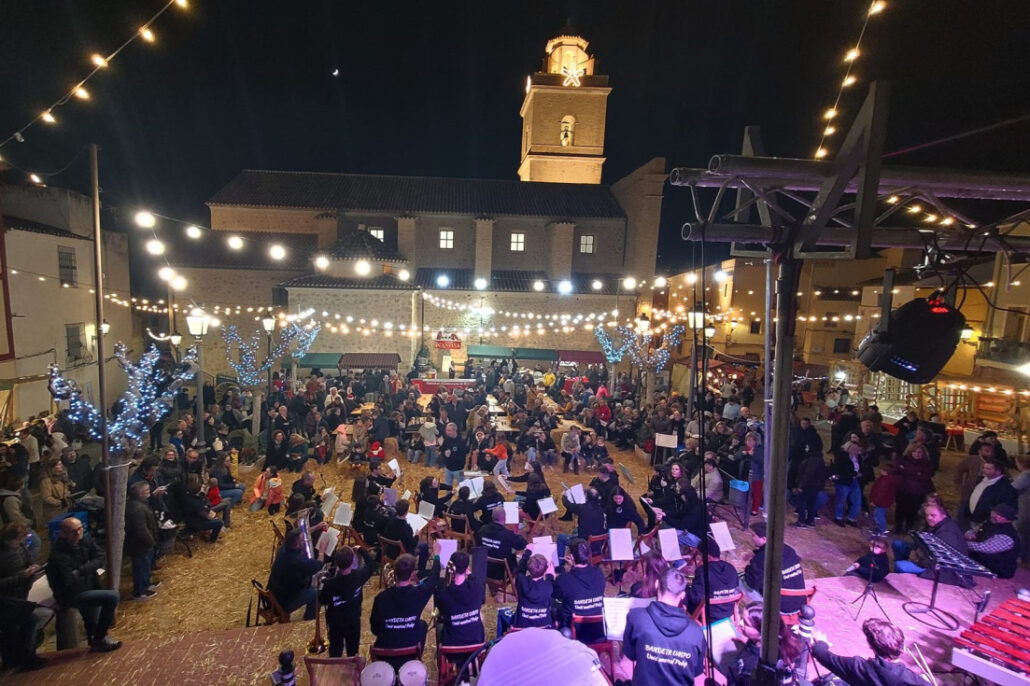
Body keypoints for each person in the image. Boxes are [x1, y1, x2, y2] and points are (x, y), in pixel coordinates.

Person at [46, 516, 122, 652]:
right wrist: (88, 569)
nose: (78, 533)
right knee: (112, 597)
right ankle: (100, 638)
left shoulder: (85, 540)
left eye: (80, 529)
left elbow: (100, 557)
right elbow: (69, 581)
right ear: (63, 534)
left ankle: (97, 642)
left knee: (93, 622)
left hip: (89, 586)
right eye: (73, 531)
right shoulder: (58, 554)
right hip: (71, 594)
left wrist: (81, 571)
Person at [623, 567, 706, 684]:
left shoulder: (636, 616)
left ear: (657, 584)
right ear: (682, 595)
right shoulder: (696, 632)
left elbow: (631, 654)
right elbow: (696, 671)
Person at [370, 551, 441, 668]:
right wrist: (437, 556)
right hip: (410, 651)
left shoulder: (381, 598)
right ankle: (415, 659)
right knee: (422, 625)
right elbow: (433, 579)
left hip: (385, 652)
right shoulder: (419, 593)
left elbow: (374, 629)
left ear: (395, 572)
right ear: (412, 574)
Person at [812, 618, 924, 686]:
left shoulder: (858, 667)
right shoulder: (909, 678)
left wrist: (821, 643)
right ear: (902, 648)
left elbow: (823, 655)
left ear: (871, 645)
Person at [0, 522, 50, 670]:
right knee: (28, 621)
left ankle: (24, 657)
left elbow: (25, 563)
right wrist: (22, 576)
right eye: (23, 537)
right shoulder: (3, 554)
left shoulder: (20, 548)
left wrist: (32, 569)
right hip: (6, 600)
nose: (25, 539)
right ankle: (24, 659)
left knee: (23, 625)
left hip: (20, 596)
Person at [687, 539, 740, 667]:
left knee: (683, 594)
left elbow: (695, 598)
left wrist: (687, 589)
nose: (699, 558)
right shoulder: (731, 568)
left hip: (710, 615)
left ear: (707, 556)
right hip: (727, 611)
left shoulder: (703, 571)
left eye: (700, 555)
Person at [892, 502, 972, 586]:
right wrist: (916, 551)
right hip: (927, 558)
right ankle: (899, 576)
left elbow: (943, 559)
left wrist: (918, 560)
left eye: (933, 515)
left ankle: (901, 583)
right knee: (898, 545)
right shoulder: (937, 525)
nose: (929, 518)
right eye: (927, 515)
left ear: (943, 515)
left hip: (948, 573)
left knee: (901, 565)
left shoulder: (947, 532)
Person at [320, 545, 376, 657]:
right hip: (353, 619)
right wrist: (361, 550)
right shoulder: (359, 576)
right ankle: (352, 663)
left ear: (336, 563)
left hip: (335, 622)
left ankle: (335, 663)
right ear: (352, 562)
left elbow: (322, 600)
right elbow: (371, 565)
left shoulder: (330, 584)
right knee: (353, 649)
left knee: (335, 649)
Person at [741, 522, 807, 614]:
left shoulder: (761, 558)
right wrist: (754, 553)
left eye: (753, 535)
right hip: (800, 603)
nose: (751, 538)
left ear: (764, 539)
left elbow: (751, 583)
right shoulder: (789, 550)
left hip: (781, 607)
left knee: (740, 581)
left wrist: (748, 566)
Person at [552, 537, 606, 642]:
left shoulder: (565, 579)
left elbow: (553, 593)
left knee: (553, 604)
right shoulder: (599, 573)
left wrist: (551, 576)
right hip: (598, 631)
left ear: (572, 557)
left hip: (575, 632)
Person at [434, 550, 485, 656]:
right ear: (467, 568)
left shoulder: (443, 594)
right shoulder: (478, 587)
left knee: (439, 626)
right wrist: (469, 574)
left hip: (453, 648)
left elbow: (441, 614)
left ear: (451, 568)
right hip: (476, 643)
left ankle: (439, 657)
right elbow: (475, 580)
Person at [268, 528, 325, 619]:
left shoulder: (283, 548)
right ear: (297, 544)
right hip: (285, 601)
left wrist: (316, 527)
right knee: (316, 593)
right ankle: (310, 620)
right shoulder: (296, 561)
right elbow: (318, 565)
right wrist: (322, 550)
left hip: (274, 594)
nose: (305, 541)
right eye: (302, 540)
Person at [125, 481, 160, 599]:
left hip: (143, 543)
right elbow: (141, 530)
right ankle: (140, 592)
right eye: (147, 490)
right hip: (139, 544)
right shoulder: (137, 508)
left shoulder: (140, 504)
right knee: (140, 567)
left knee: (145, 565)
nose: (149, 492)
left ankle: (146, 584)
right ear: (140, 494)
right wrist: (151, 542)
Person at [966, 503, 1020, 579]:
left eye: (1000, 515)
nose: (995, 516)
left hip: (997, 568)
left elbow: (985, 548)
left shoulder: (1006, 534)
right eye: (995, 512)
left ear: (1008, 520)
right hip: (982, 560)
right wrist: (970, 534)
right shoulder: (989, 523)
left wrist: (964, 543)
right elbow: (974, 531)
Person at [961, 458, 1018, 528]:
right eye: (984, 468)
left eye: (988, 469)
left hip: (987, 524)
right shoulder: (981, 480)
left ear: (998, 471)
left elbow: (1008, 506)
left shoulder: (1005, 487)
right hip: (972, 519)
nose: (983, 470)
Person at [475, 508, 527, 580]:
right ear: (505, 518)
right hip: (502, 572)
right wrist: (517, 535)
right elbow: (523, 544)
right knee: (523, 560)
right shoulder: (507, 534)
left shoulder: (482, 530)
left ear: (492, 517)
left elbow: (477, 546)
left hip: (483, 568)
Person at [514, 552, 555, 628]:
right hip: (545, 627)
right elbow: (551, 581)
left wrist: (527, 553)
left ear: (528, 569)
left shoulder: (521, 581)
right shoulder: (549, 586)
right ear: (545, 571)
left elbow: (520, 570)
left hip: (521, 626)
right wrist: (550, 575)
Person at [792, 443, 827, 528]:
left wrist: (801, 486)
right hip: (815, 486)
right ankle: (810, 521)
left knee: (801, 502)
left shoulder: (812, 460)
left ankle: (801, 521)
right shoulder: (820, 459)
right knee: (811, 503)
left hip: (808, 485)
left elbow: (808, 474)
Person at [182, 475, 224, 542]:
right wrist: (211, 517)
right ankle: (212, 541)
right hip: (196, 522)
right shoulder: (193, 499)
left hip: (194, 518)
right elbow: (203, 513)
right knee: (219, 523)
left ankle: (208, 534)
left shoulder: (189, 494)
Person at [440, 422, 468, 487]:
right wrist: (444, 453)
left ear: (455, 430)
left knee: (462, 487)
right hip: (448, 468)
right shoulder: (446, 440)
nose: (447, 432)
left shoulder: (461, 442)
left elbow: (462, 457)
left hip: (458, 469)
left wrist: (450, 456)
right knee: (447, 486)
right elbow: (442, 450)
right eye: (446, 430)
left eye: (449, 430)